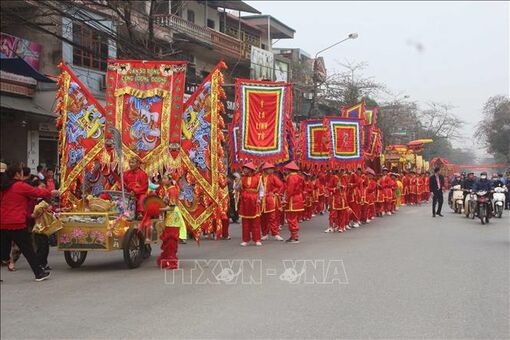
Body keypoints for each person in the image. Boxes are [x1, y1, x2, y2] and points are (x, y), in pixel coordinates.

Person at [1, 164, 59, 282]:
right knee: (28, 250)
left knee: (3, 253)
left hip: (3, 223)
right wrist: (51, 192)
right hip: (17, 223)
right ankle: (39, 273)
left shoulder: (4, 187)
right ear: (17, 174)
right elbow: (37, 192)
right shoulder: (19, 186)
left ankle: (37, 272)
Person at [238, 162, 264, 246]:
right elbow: (237, 188)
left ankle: (257, 239)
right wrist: (237, 181)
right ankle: (246, 239)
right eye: (244, 168)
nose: (244, 170)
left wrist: (260, 198)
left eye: (246, 168)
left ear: (250, 170)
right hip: (245, 201)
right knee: (245, 221)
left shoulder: (258, 178)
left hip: (254, 199)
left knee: (256, 221)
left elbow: (261, 190)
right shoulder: (242, 179)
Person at [260, 163, 284, 241]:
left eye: (272, 169)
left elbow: (281, 185)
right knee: (263, 218)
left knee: (272, 217)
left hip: (270, 199)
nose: (271, 170)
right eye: (269, 169)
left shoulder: (273, 177)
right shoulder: (260, 177)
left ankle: (275, 233)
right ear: (265, 169)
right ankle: (265, 233)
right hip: (261, 199)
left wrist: (275, 192)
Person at [282, 161, 304, 243]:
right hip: (298, 198)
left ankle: (294, 237)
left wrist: (286, 200)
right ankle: (293, 236)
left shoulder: (291, 177)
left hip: (292, 200)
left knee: (291, 219)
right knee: (294, 218)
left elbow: (290, 190)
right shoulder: (299, 177)